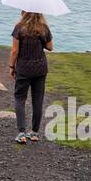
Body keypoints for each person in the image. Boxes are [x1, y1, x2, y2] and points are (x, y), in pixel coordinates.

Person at [9, 10, 53, 144]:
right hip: (40, 68)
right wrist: (40, 41)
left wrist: (11, 66)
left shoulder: (19, 28)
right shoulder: (44, 28)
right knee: (37, 99)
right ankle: (34, 133)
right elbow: (50, 47)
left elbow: (15, 50)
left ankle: (21, 133)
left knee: (20, 98)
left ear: (24, 12)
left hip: (23, 68)